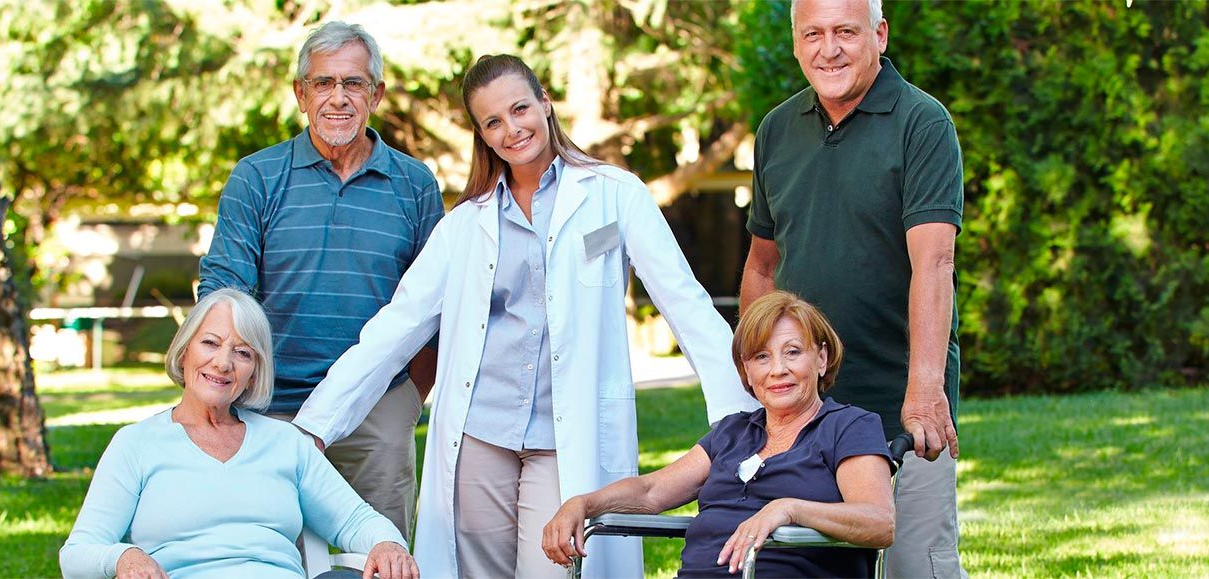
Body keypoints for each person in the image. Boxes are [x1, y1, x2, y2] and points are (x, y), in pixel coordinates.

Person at [294, 54, 757, 579]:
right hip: (478, 436)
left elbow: (684, 302)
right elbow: (394, 329)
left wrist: (743, 412)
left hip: (566, 438)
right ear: (481, 135)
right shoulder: (465, 224)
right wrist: (312, 427)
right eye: (493, 122)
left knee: (552, 569)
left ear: (545, 103)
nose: (512, 129)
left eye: (520, 109)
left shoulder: (614, 195)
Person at [738, 0, 967, 576]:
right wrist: (754, 373)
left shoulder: (923, 122)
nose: (828, 48)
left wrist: (923, 390)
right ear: (795, 42)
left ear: (879, 34)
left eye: (846, 31)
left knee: (920, 565)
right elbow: (762, 268)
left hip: (901, 405)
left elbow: (934, 263)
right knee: (805, 569)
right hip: (801, 410)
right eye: (812, 33)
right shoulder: (775, 130)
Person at [197, 21, 443, 540]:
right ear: (301, 94)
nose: (338, 98)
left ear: (375, 94)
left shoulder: (415, 185)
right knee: (267, 555)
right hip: (269, 406)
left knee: (381, 555)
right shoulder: (257, 177)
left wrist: (405, 405)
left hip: (376, 411)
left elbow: (435, 308)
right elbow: (223, 293)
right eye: (323, 83)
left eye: (353, 83)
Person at [59, 288, 417, 579]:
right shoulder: (136, 444)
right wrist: (124, 557)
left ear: (254, 372)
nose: (223, 363)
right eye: (210, 343)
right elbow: (76, 554)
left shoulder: (285, 442)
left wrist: (386, 543)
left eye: (242, 352)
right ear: (184, 352)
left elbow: (356, 520)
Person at [542, 291, 895, 578]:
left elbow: (879, 522)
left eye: (793, 352)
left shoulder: (848, 427)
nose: (778, 370)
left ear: (821, 358)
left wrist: (789, 509)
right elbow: (651, 492)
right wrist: (583, 504)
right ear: (746, 370)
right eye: (761, 356)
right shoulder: (734, 432)